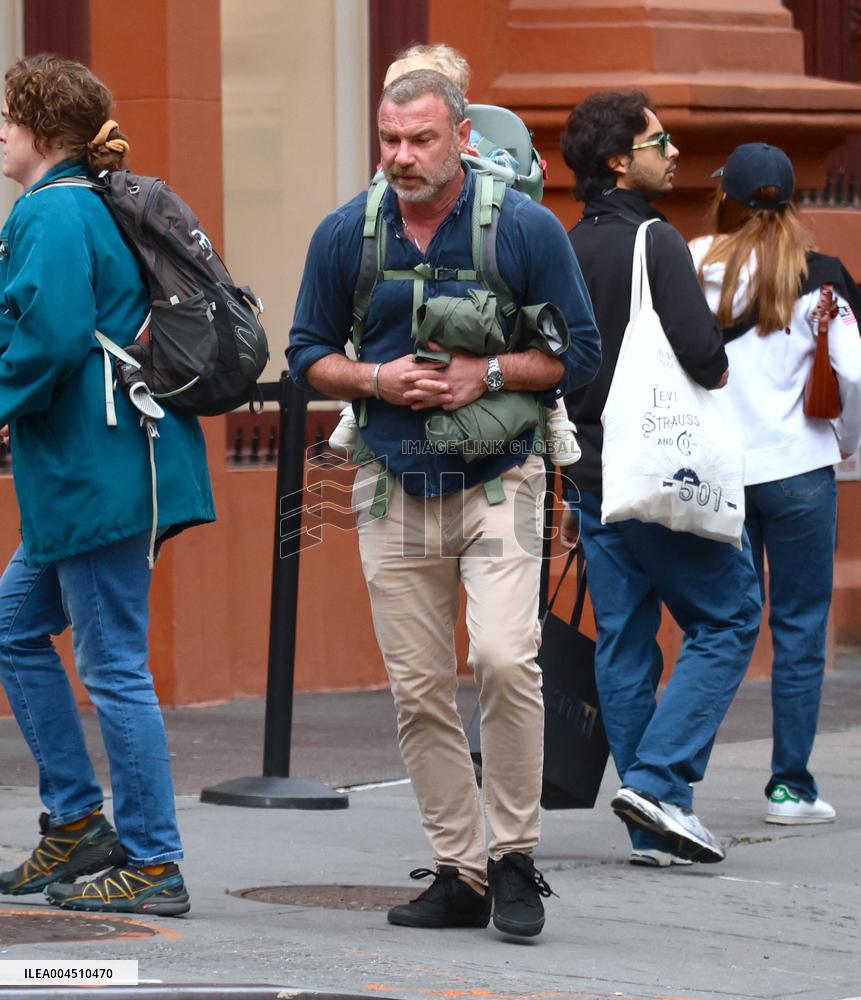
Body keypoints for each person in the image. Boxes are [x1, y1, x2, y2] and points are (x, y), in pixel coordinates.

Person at [289, 69, 600, 937]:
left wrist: (488, 373)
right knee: (419, 689)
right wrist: (373, 376)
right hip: (390, 487)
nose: (401, 157)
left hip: (501, 482)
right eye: (389, 140)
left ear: (460, 138)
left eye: (420, 140)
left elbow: (579, 352)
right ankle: (461, 869)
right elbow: (306, 350)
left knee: (505, 659)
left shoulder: (524, 228)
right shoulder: (346, 233)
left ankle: (515, 861)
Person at [0, 55, 214, 915]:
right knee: (15, 629)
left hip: (99, 473)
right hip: (103, 470)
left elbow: (47, 339)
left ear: (42, 132)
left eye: (8, 119)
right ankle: (77, 822)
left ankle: (155, 862)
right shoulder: (83, 202)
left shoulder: (49, 211)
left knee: (114, 666)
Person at [558, 90, 762, 867]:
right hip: (656, 464)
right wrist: (720, 344)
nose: (673, 152)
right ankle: (659, 778)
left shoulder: (570, 244)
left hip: (588, 468)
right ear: (619, 160)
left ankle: (653, 823)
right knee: (732, 612)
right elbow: (701, 358)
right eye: (658, 140)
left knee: (625, 637)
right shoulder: (656, 240)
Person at [689, 143, 861, 825]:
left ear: (724, 195)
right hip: (797, 470)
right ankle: (789, 787)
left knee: (719, 627)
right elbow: (851, 376)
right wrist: (843, 445)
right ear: (792, 199)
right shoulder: (821, 278)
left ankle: (674, 776)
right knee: (798, 630)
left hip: (718, 472)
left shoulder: (696, 262)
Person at [329, 43, 579, 467]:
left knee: (533, 330)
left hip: (484, 288)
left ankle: (555, 416)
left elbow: (516, 179)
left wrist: (483, 165)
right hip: (399, 436)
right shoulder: (392, 170)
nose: (404, 147)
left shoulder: (484, 148)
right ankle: (355, 411)